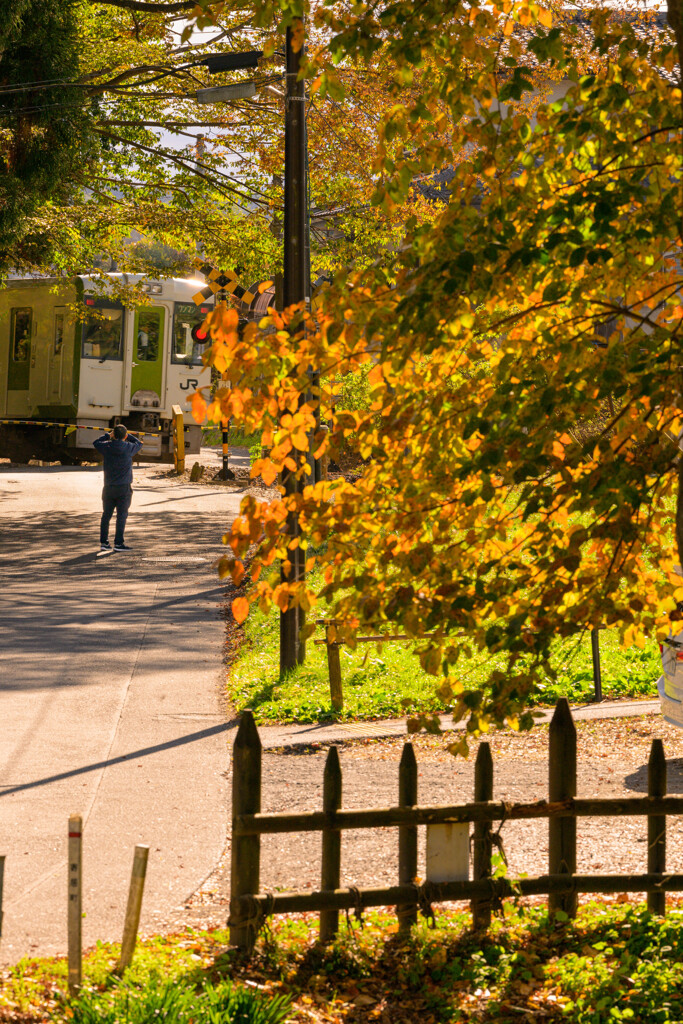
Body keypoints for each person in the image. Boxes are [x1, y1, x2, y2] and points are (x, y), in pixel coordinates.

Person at [93, 424, 143, 552]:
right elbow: (139, 443)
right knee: (121, 515)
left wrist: (108, 436)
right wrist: (127, 435)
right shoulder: (129, 447)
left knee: (106, 515)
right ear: (125, 436)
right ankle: (119, 543)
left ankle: (104, 543)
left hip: (108, 487)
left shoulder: (106, 446)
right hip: (124, 488)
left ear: (113, 435)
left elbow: (96, 442)